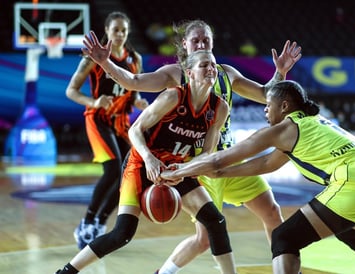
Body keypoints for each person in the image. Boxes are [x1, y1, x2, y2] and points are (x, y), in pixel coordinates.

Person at [81, 19, 301, 273]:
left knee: (272, 212)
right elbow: (133, 81)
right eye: (195, 40)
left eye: (205, 40)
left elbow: (265, 94)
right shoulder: (176, 74)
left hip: (229, 157)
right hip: (198, 164)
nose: (201, 44)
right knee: (205, 238)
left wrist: (280, 73)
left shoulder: (226, 73)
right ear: (185, 45)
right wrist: (105, 62)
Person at [161, 80, 355, 274]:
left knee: (284, 237)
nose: (265, 110)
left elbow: (218, 158)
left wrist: (178, 171)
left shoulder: (283, 130)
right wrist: (221, 173)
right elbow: (268, 163)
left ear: (285, 106)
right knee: (348, 229)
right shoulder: (313, 122)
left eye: (268, 104)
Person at [55, 50, 239, 274]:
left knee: (215, 220)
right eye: (204, 65)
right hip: (142, 163)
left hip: (177, 167)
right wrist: (150, 159)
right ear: (189, 72)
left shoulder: (219, 108)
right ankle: (65, 272)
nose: (211, 69)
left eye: (213, 64)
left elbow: (208, 152)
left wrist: (183, 169)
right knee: (122, 234)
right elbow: (135, 130)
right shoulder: (173, 97)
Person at [65, 11, 148, 250]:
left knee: (127, 174)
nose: (120, 34)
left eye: (124, 30)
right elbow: (71, 91)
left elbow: (135, 87)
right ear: (107, 31)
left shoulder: (135, 58)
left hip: (121, 120)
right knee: (112, 169)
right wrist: (93, 102)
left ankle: (100, 222)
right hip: (99, 118)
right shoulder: (93, 58)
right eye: (116, 30)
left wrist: (139, 100)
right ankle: (87, 221)